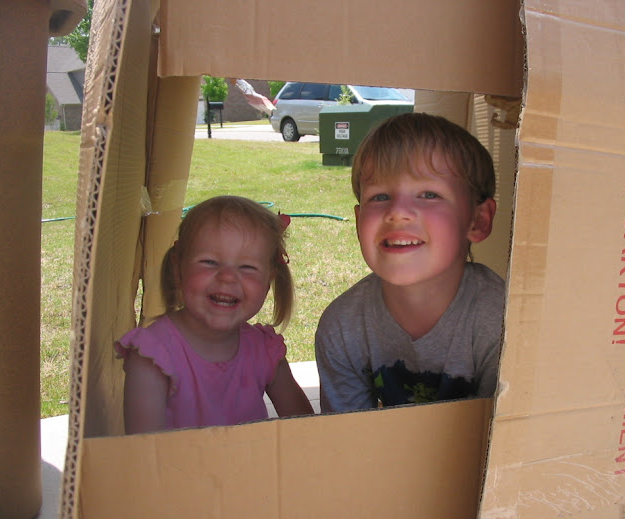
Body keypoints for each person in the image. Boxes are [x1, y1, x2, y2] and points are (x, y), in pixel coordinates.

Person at [315, 112, 505, 413]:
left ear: (478, 220)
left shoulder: (502, 323)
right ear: (358, 219)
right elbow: (347, 444)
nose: (398, 212)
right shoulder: (342, 327)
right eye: (379, 197)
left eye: (429, 194)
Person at [115, 195, 313, 434]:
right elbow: (143, 455)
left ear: (269, 279)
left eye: (247, 267)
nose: (227, 277)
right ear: (178, 267)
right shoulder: (154, 357)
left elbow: (307, 431)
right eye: (209, 262)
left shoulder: (265, 351)